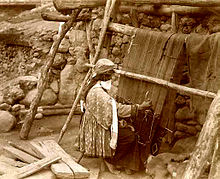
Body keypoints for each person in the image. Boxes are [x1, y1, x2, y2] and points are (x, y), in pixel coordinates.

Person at [78, 58, 152, 174]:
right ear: (103, 76)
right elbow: (117, 109)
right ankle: (110, 159)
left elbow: (110, 107)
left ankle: (125, 164)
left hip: (100, 120)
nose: (112, 78)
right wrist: (139, 107)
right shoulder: (98, 92)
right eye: (110, 76)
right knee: (129, 136)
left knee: (128, 128)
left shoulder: (96, 85)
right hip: (98, 126)